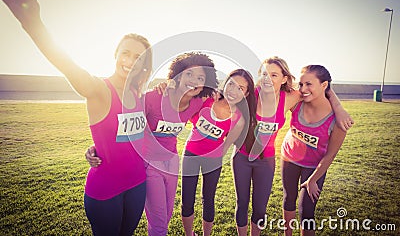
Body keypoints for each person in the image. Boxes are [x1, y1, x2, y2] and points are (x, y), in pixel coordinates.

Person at [1, 0, 152, 235]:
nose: (130, 60)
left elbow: (128, 136)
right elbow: (65, 64)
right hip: (106, 190)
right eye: (125, 53)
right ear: (115, 55)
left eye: (138, 56)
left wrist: (97, 145)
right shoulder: (97, 89)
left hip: (138, 183)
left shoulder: (140, 93)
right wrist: (30, 20)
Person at [87, 52, 219, 236]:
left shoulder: (198, 102)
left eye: (200, 77)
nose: (193, 81)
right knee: (159, 225)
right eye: (188, 74)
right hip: (149, 166)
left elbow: (231, 100)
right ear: (178, 75)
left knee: (166, 216)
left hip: (172, 163)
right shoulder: (153, 97)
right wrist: (95, 147)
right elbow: (122, 123)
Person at [232, 57, 354, 236]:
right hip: (254, 157)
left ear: (284, 79)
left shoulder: (292, 98)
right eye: (264, 74)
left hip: (272, 161)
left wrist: (339, 108)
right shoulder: (254, 94)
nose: (267, 78)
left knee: (276, 209)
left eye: (274, 74)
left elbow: (323, 90)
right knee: (248, 203)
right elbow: (229, 93)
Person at [181, 69, 257, 236]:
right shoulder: (208, 99)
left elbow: (226, 146)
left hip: (213, 161)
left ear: (247, 93)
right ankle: (189, 233)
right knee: (187, 200)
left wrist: (213, 159)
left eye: (240, 88)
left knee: (208, 200)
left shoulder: (239, 119)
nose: (233, 90)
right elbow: (185, 109)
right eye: (231, 84)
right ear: (225, 83)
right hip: (191, 154)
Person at [280, 65, 347, 236]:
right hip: (289, 158)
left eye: (309, 84)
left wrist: (312, 180)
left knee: (306, 210)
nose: (303, 89)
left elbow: (330, 155)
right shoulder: (297, 102)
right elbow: (277, 91)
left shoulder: (338, 121)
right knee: (289, 199)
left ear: (324, 85)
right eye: (301, 84)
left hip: (314, 167)